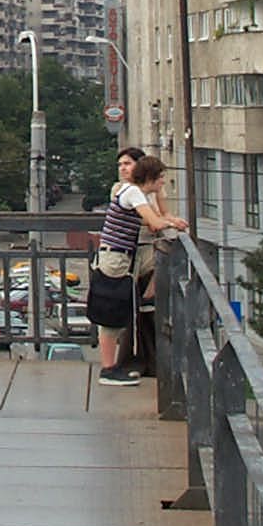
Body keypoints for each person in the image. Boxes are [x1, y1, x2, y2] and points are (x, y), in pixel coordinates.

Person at [90, 153, 188, 386]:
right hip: (115, 259)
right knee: (111, 316)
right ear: (151, 178)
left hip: (124, 257)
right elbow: (153, 222)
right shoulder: (133, 192)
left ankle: (147, 298)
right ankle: (108, 370)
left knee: (161, 258)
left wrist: (169, 221)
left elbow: (151, 219)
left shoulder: (134, 192)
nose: (163, 182)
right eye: (161, 178)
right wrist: (173, 223)